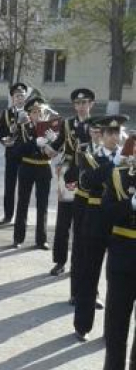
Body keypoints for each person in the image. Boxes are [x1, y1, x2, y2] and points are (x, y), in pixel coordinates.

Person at [72, 116, 126, 342]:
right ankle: (82, 325)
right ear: (101, 136)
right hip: (94, 219)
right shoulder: (89, 156)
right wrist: (118, 164)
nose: (115, 137)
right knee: (89, 273)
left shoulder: (129, 160)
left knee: (117, 281)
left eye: (118, 132)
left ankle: (111, 330)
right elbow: (89, 180)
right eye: (110, 133)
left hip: (120, 224)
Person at [99, 132, 136, 370]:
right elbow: (106, 213)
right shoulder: (118, 175)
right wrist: (131, 204)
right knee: (116, 325)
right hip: (123, 259)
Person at [49, 89, 95, 282]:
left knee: (83, 222)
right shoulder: (67, 123)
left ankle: (80, 262)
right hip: (68, 175)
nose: (81, 106)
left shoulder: (97, 125)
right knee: (63, 221)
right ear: (74, 105)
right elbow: (58, 144)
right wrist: (48, 147)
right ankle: (60, 261)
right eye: (78, 103)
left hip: (89, 177)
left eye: (85, 102)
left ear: (91, 104)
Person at [12, 96, 57, 249]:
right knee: (23, 203)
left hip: (44, 168)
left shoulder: (51, 131)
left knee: (42, 205)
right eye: (35, 112)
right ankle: (18, 238)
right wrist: (34, 143)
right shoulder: (23, 129)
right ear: (29, 114)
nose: (38, 114)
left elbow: (57, 152)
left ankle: (41, 239)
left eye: (41, 112)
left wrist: (54, 141)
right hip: (27, 167)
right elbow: (16, 152)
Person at [0, 82, 29, 225]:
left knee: (24, 188)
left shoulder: (30, 113)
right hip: (11, 154)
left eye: (22, 95)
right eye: (16, 96)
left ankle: (22, 218)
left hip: (26, 155)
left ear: (25, 97)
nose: (19, 98)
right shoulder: (6, 113)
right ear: (12, 98)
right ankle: (7, 215)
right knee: (9, 186)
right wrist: (4, 138)